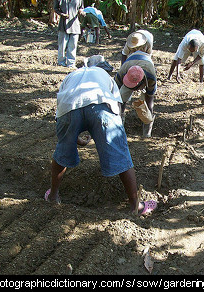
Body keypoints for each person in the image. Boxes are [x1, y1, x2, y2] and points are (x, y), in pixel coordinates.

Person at [44, 55, 157, 215]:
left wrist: (74, 137)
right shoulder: (105, 77)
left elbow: (65, 110)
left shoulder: (71, 76)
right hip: (102, 106)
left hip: (68, 107)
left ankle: (53, 196)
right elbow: (115, 108)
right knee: (121, 153)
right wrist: (112, 136)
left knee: (63, 150)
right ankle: (136, 206)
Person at [115, 51, 157, 137]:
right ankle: (119, 128)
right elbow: (115, 94)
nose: (132, 90)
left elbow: (150, 99)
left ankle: (147, 132)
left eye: (134, 87)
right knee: (120, 100)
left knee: (148, 104)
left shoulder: (151, 77)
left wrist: (148, 117)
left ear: (142, 83)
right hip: (131, 62)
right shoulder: (122, 72)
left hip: (146, 63)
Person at [54, 0, 84, 68]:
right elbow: (56, 8)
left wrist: (81, 12)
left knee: (72, 46)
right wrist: (61, 14)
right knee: (62, 45)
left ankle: (71, 64)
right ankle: (61, 63)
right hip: (63, 25)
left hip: (74, 25)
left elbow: (81, 7)